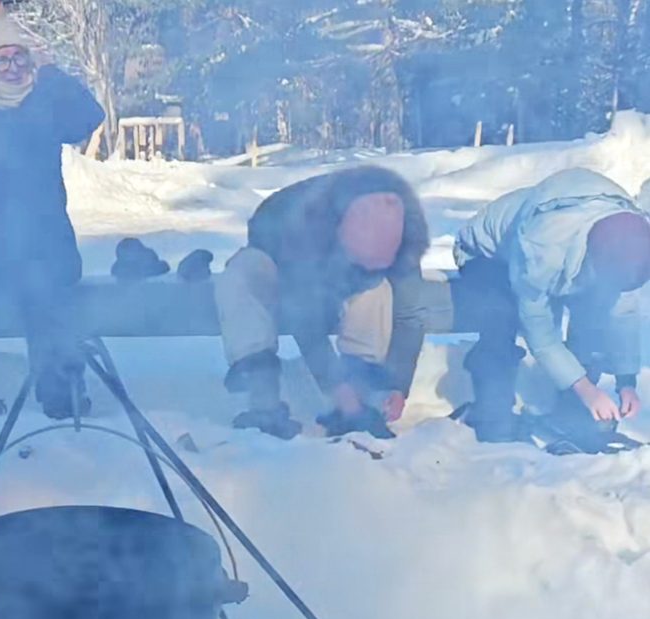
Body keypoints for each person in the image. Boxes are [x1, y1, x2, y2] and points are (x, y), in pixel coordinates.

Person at [0, 12, 104, 426]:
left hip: (46, 246)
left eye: (19, 57)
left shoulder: (44, 103)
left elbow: (89, 116)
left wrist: (51, 71)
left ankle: (63, 398)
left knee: (47, 293)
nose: (12, 68)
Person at [215, 166, 430, 439]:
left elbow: (411, 314)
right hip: (278, 264)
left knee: (377, 289)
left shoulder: (403, 233)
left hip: (327, 272)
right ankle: (263, 403)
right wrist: (337, 388)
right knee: (241, 274)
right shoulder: (307, 224)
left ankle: (363, 394)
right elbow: (304, 317)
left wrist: (398, 387)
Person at [453, 168, 650, 444]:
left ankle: (570, 414)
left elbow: (623, 315)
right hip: (487, 254)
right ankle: (493, 414)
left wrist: (626, 382)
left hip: (564, 251)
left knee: (594, 318)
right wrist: (586, 389)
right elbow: (540, 332)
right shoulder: (541, 248)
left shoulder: (633, 245)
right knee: (502, 314)